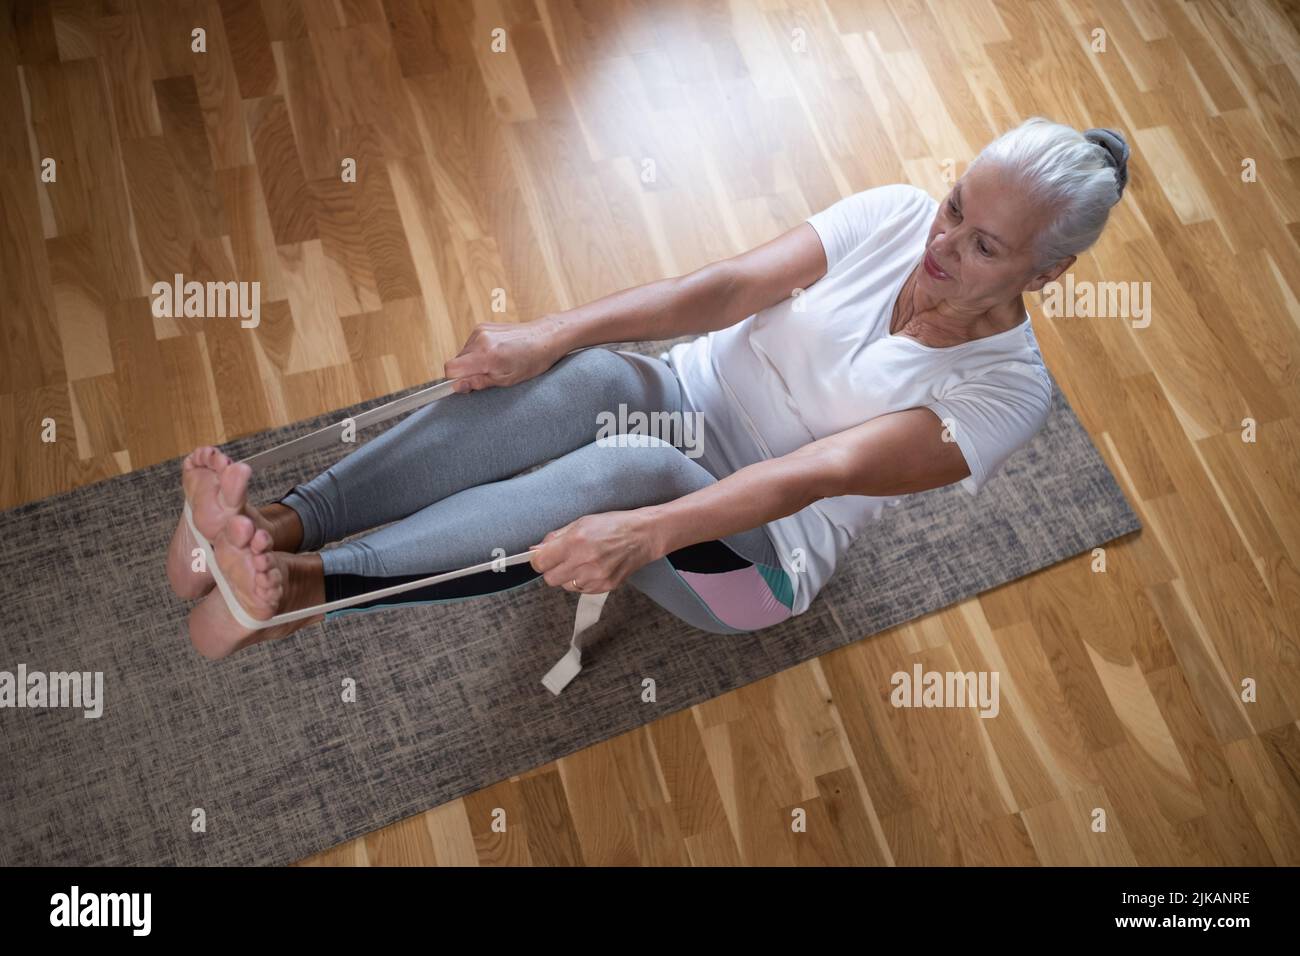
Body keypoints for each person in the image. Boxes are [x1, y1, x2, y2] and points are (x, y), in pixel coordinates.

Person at [165, 117, 1130, 659]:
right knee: (593, 376)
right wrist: (549, 333)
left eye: (983, 246)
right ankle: (278, 529)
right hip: (681, 399)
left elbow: (817, 476)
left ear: (1045, 275)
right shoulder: (897, 216)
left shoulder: (1005, 396)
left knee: (634, 465)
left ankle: (290, 593)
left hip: (761, 560)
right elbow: (724, 288)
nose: (940, 247)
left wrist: (646, 531)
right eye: (956, 206)